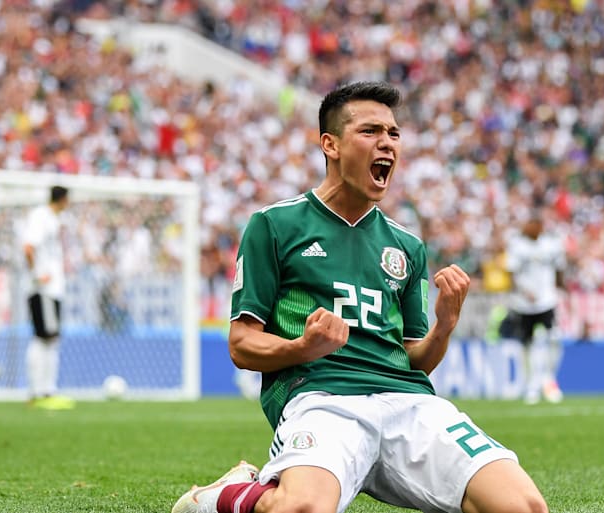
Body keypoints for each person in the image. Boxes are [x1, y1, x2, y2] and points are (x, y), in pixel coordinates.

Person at [172, 82, 548, 513]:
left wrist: (444, 325)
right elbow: (241, 345)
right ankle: (229, 496)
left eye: (393, 133)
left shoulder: (407, 247)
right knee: (301, 509)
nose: (386, 142)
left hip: (409, 404)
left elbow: (416, 360)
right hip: (322, 399)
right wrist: (302, 347)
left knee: (524, 507)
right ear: (329, 145)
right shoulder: (275, 225)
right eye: (370, 132)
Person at [501, 214, 566, 405]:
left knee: (554, 339)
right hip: (524, 304)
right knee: (526, 345)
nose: (534, 229)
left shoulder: (551, 244)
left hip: (547, 301)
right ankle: (531, 385)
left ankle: (549, 379)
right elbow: (511, 273)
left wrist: (561, 287)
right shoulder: (517, 245)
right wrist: (524, 290)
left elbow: (559, 268)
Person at [22, 185, 74, 410]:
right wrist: (36, 275)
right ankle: (41, 391)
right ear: (63, 199)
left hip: (53, 288)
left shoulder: (53, 219)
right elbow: (28, 247)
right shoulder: (40, 216)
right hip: (44, 288)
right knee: (44, 338)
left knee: (49, 338)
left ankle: (43, 391)